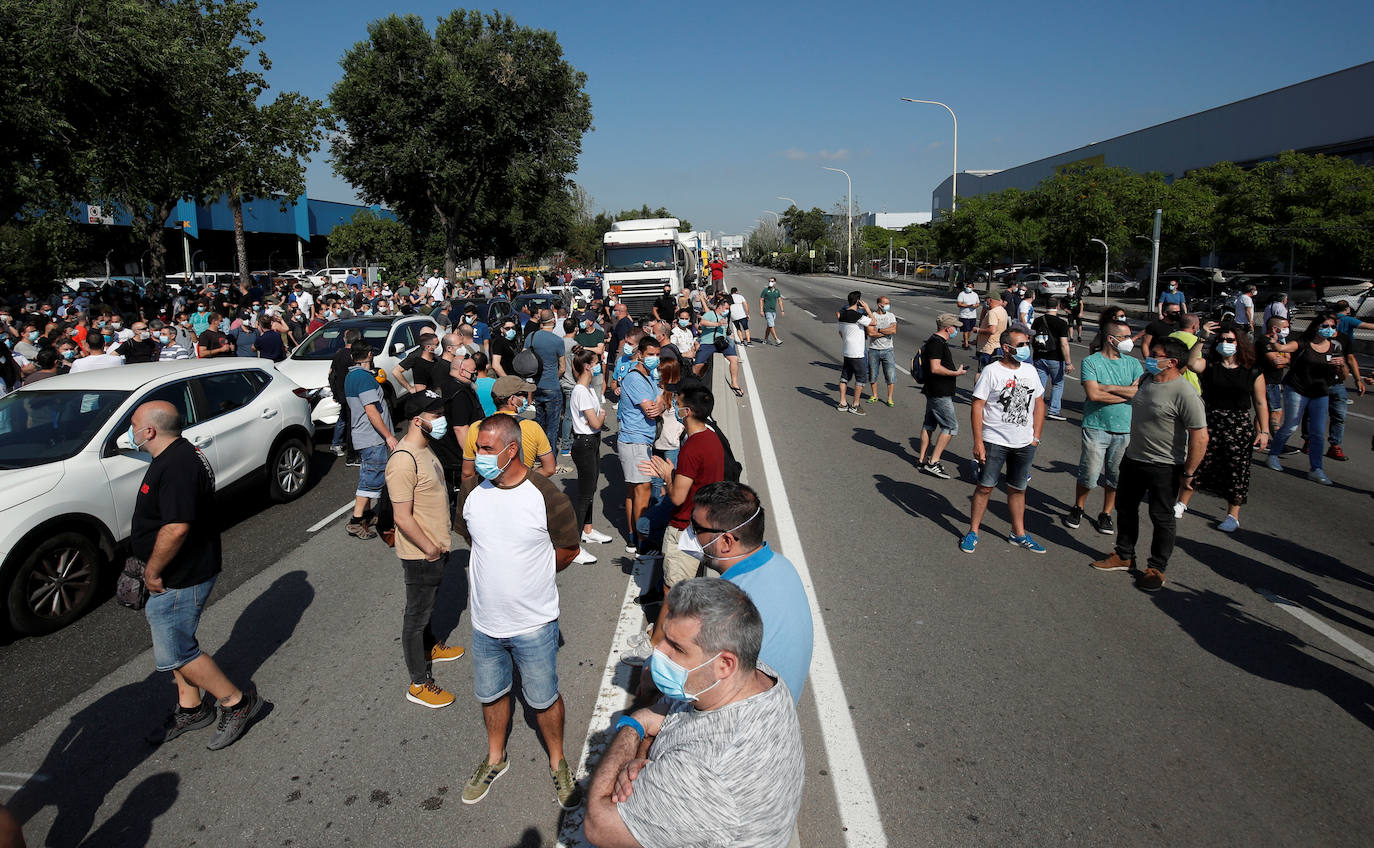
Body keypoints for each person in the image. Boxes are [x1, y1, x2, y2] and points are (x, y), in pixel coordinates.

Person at [583, 579, 804, 848]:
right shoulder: (757, 675)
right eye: (663, 637)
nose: (658, 652)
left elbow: (598, 823)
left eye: (676, 648)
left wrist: (635, 723)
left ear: (724, 664)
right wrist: (649, 767)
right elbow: (673, 713)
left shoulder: (707, 770)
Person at [453, 415, 583, 809]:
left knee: (543, 699)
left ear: (512, 451)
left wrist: (535, 577)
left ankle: (558, 761)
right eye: (477, 449)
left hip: (534, 625)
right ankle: (496, 757)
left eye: (487, 450)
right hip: (485, 624)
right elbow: (469, 536)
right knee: (491, 695)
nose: (479, 457)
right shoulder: (473, 491)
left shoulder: (547, 496)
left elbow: (569, 549)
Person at [130, 401, 264, 750]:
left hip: (181, 574)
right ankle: (191, 707)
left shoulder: (177, 465)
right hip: (179, 570)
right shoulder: (179, 454)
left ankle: (237, 702)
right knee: (175, 641)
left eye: (133, 425)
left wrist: (153, 571)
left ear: (149, 431)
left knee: (176, 650)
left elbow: (175, 528)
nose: (130, 432)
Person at [1091, 337, 1208, 591]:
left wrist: (1189, 472)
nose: (1149, 357)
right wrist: (1109, 388)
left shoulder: (1185, 393)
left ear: (1172, 362)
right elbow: (1134, 395)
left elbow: (1200, 436)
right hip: (1134, 459)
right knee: (1125, 507)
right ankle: (1124, 555)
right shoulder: (1146, 379)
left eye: (1155, 355)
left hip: (1165, 466)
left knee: (1161, 517)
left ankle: (1156, 568)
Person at [693, 481, 813, 702]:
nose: (690, 534)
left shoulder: (728, 604)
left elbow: (701, 686)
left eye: (696, 528)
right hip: (780, 711)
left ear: (726, 541)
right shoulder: (782, 565)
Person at [631, 384, 725, 662]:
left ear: (688, 411)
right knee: (687, 588)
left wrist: (668, 473)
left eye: (679, 404)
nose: (675, 407)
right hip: (705, 522)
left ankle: (656, 644)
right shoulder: (711, 437)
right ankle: (665, 635)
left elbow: (676, 496)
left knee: (672, 590)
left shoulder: (692, 447)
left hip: (684, 526)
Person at [385, 390, 466, 709]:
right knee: (415, 617)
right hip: (421, 554)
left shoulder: (426, 449)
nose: (442, 419)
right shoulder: (403, 461)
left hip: (436, 548)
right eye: (436, 415)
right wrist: (430, 548)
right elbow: (401, 516)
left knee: (428, 607)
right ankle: (419, 682)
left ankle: (431, 646)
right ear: (418, 421)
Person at [960, 326, 1047, 555]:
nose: (1026, 348)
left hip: (1024, 443)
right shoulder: (992, 371)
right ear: (1006, 348)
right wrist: (978, 442)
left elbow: (1039, 402)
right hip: (995, 441)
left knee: (1018, 489)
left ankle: (1018, 534)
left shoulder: (1030, 370)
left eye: (1027, 344)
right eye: (1021, 345)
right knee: (985, 487)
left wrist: (1035, 436)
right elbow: (977, 405)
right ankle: (973, 531)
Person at [1176, 327, 1268, 531]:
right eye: (1222, 339)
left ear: (1239, 344)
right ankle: (1182, 502)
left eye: (1231, 339)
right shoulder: (1210, 365)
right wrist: (1202, 338)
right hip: (1210, 421)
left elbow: (1261, 402)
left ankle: (1232, 516)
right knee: (1196, 462)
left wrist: (1264, 431)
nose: (1226, 342)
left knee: (1236, 471)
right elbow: (1191, 363)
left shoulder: (1252, 370)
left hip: (1238, 426)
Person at [1067, 319, 1142, 534]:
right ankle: (1078, 506)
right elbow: (1093, 394)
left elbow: (1139, 393)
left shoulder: (1134, 364)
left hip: (1124, 430)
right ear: (1111, 339)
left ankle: (1106, 513)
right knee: (1088, 475)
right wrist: (1126, 394)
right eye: (1126, 337)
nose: (1130, 341)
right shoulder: (1091, 362)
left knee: (1115, 476)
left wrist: (1108, 388)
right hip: (1095, 427)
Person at [1265, 314, 1344, 485]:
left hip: (1320, 392)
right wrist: (1274, 343)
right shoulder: (1303, 343)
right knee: (1291, 425)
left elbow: (1342, 376)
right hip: (1297, 389)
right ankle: (1273, 455)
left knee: (1317, 432)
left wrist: (1341, 365)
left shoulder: (1336, 347)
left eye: (1332, 326)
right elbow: (1283, 348)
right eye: (1325, 325)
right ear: (1316, 327)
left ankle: (1316, 469)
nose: (1329, 329)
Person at [344, 341, 396, 539]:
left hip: (364, 435)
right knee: (370, 480)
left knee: (371, 476)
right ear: (369, 354)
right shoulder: (364, 379)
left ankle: (366, 515)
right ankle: (356, 521)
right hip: (371, 437)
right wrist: (388, 436)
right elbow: (372, 411)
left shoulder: (352, 376)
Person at [461, 375, 556, 484]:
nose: (527, 399)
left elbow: (467, 473)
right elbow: (549, 469)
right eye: (523, 395)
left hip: (487, 489)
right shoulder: (532, 427)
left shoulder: (476, 428)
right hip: (520, 489)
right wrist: (526, 480)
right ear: (512, 399)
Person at [618, 336, 664, 554]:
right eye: (650, 355)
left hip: (638, 439)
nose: (654, 359)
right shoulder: (636, 379)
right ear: (640, 355)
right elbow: (652, 410)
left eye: (657, 355)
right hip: (635, 440)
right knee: (643, 491)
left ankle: (632, 538)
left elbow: (658, 403)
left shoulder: (648, 377)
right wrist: (662, 402)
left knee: (633, 491)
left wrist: (660, 402)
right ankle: (642, 545)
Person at [569, 348, 613, 548]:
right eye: (596, 362)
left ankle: (588, 529)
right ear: (587, 366)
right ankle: (574, 544)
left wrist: (600, 416)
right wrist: (602, 416)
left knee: (591, 488)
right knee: (585, 494)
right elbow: (596, 422)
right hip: (585, 442)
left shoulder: (588, 390)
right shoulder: (580, 391)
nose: (598, 366)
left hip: (592, 441)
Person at [915, 314, 968, 479]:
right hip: (939, 391)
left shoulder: (936, 341)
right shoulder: (937, 343)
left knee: (929, 425)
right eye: (956, 327)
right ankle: (933, 462)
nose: (957, 330)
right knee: (951, 427)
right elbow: (935, 368)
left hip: (933, 390)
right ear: (948, 328)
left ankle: (922, 459)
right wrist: (955, 373)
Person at [524, 309, 567, 451]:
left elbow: (524, 359)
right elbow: (562, 367)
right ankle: (551, 459)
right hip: (552, 386)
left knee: (540, 424)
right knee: (552, 428)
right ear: (553, 321)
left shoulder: (531, 336)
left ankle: (539, 455)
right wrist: (555, 377)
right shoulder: (557, 341)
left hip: (537, 386)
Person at [1030, 297, 1073, 421]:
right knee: (1057, 384)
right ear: (1058, 306)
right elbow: (1064, 344)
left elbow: (1032, 339)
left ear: (1045, 306)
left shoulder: (1037, 321)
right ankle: (1053, 410)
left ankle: (1037, 409)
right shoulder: (1061, 323)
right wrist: (1068, 362)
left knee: (1040, 386)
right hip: (1056, 358)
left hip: (1039, 357)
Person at [692, 295, 744, 396]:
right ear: (720, 307)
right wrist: (718, 324)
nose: (727, 311)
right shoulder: (710, 314)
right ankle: (692, 383)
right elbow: (702, 322)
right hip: (708, 343)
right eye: (726, 308)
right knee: (698, 365)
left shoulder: (723, 317)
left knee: (734, 358)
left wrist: (729, 334)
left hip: (721, 343)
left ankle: (734, 383)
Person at [1255, 315, 1294, 438]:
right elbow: (1276, 363)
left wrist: (1285, 358)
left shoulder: (1279, 342)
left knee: (1264, 411)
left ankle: (1259, 436)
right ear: (1274, 328)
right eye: (1285, 327)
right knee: (1275, 411)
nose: (1287, 330)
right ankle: (1277, 440)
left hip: (1275, 381)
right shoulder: (1264, 342)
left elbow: (1288, 360)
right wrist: (1285, 360)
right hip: (1267, 381)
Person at [835, 291, 873, 414]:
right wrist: (867, 309)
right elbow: (874, 322)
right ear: (858, 301)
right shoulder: (857, 316)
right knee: (861, 379)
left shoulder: (843, 315)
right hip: (857, 352)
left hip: (846, 351)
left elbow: (840, 332)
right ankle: (855, 405)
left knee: (844, 377)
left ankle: (842, 403)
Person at [864, 295, 899, 407]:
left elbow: (893, 330)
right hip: (874, 350)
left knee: (890, 375)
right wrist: (885, 331)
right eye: (886, 303)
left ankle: (890, 398)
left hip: (888, 350)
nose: (888, 305)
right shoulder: (872, 316)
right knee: (873, 374)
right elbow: (870, 333)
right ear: (880, 305)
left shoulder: (891, 316)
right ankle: (874, 395)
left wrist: (878, 330)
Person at [975, 291, 1009, 370]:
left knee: (982, 373)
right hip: (997, 346)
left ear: (990, 300)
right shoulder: (1003, 310)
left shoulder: (992, 312)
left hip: (988, 348)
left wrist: (978, 330)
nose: (985, 302)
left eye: (986, 300)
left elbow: (992, 330)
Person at [759, 277, 785, 345]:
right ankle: (776, 339)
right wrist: (761, 310)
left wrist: (782, 310)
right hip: (767, 310)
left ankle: (765, 339)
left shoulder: (777, 291)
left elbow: (779, 300)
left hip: (773, 311)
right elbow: (761, 300)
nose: (770, 282)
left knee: (769, 326)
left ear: (775, 283)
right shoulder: (765, 290)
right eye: (770, 281)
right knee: (771, 325)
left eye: (772, 281)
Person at [955, 281, 980, 349]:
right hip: (964, 315)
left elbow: (978, 303)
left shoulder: (975, 295)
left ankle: (966, 341)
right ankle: (966, 343)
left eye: (970, 287)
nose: (968, 288)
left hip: (973, 315)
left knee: (969, 330)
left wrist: (975, 306)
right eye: (967, 287)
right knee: (965, 329)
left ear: (973, 288)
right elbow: (959, 304)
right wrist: (968, 305)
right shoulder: (962, 294)